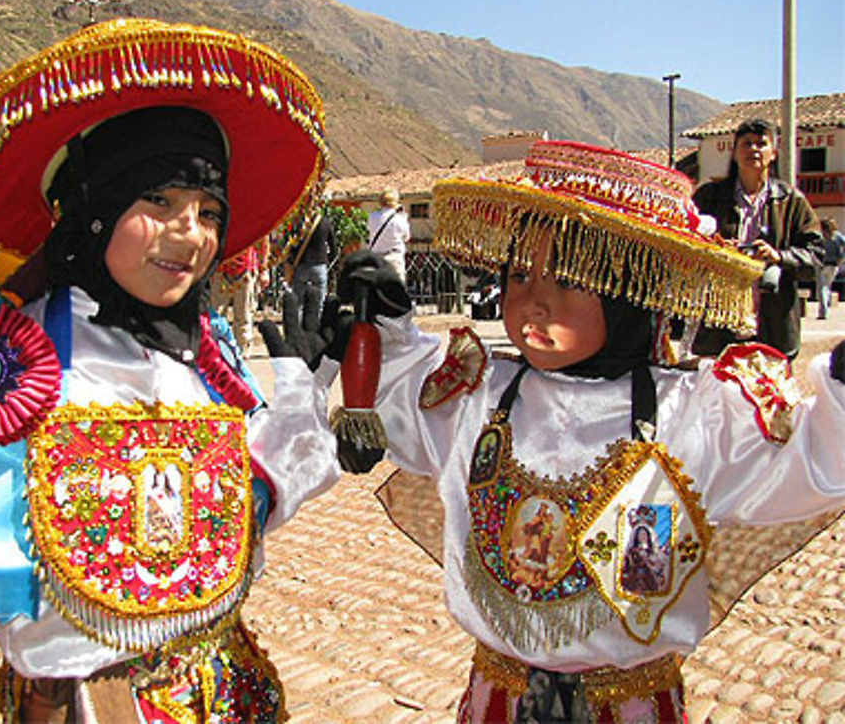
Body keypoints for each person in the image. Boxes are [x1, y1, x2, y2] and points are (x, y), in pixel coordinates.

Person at [0, 19, 339, 722]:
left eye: (208, 211)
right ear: (98, 210)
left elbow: (258, 497)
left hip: (226, 695)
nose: (189, 234)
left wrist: (307, 387)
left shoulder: (211, 355)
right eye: (159, 201)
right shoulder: (6, 365)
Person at [329, 141, 845, 722]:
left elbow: (810, 460)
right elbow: (403, 412)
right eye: (520, 274)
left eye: (571, 280)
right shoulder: (481, 394)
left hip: (630, 706)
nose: (534, 302)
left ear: (630, 293)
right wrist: (387, 327)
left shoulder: (692, 414)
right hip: (498, 699)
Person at [691, 118, 823, 359]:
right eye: (746, 143)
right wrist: (717, 250)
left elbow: (816, 258)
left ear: (773, 153)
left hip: (772, 325)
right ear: (734, 153)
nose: (753, 149)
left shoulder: (791, 202)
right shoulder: (709, 197)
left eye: (761, 144)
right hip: (718, 326)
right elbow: (685, 242)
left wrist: (780, 257)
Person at [289, 209, 338, 310]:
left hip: (302, 264)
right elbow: (334, 246)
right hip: (320, 264)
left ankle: (299, 323)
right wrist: (328, 261)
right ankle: (317, 324)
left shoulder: (299, 223)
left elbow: (292, 245)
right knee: (320, 302)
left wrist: (292, 260)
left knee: (299, 302)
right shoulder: (325, 222)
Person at [365, 187, 410, 283]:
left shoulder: (373, 216)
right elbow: (406, 237)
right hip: (394, 257)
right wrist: (403, 215)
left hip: (376, 258)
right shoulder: (399, 219)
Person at [817, 217, 845, 319]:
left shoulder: (822, 236)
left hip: (823, 264)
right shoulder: (837, 236)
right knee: (827, 286)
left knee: (822, 287)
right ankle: (826, 307)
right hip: (834, 264)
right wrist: (841, 258)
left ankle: (823, 311)